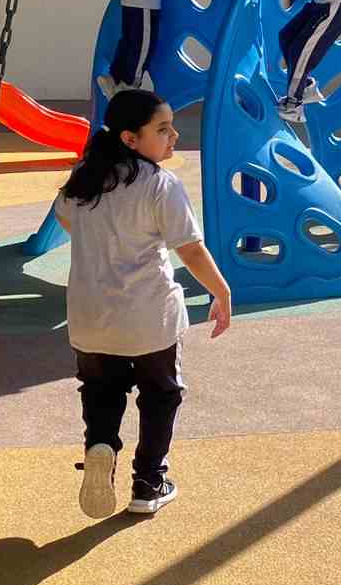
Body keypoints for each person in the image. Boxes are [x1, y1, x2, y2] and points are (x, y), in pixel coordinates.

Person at [54, 89, 232, 517]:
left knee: (101, 392)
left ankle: (100, 446)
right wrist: (221, 292)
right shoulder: (160, 184)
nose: (174, 136)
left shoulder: (85, 179)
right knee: (160, 395)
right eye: (163, 129)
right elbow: (190, 249)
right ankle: (148, 482)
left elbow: (65, 218)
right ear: (130, 139)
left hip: (90, 318)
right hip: (149, 318)